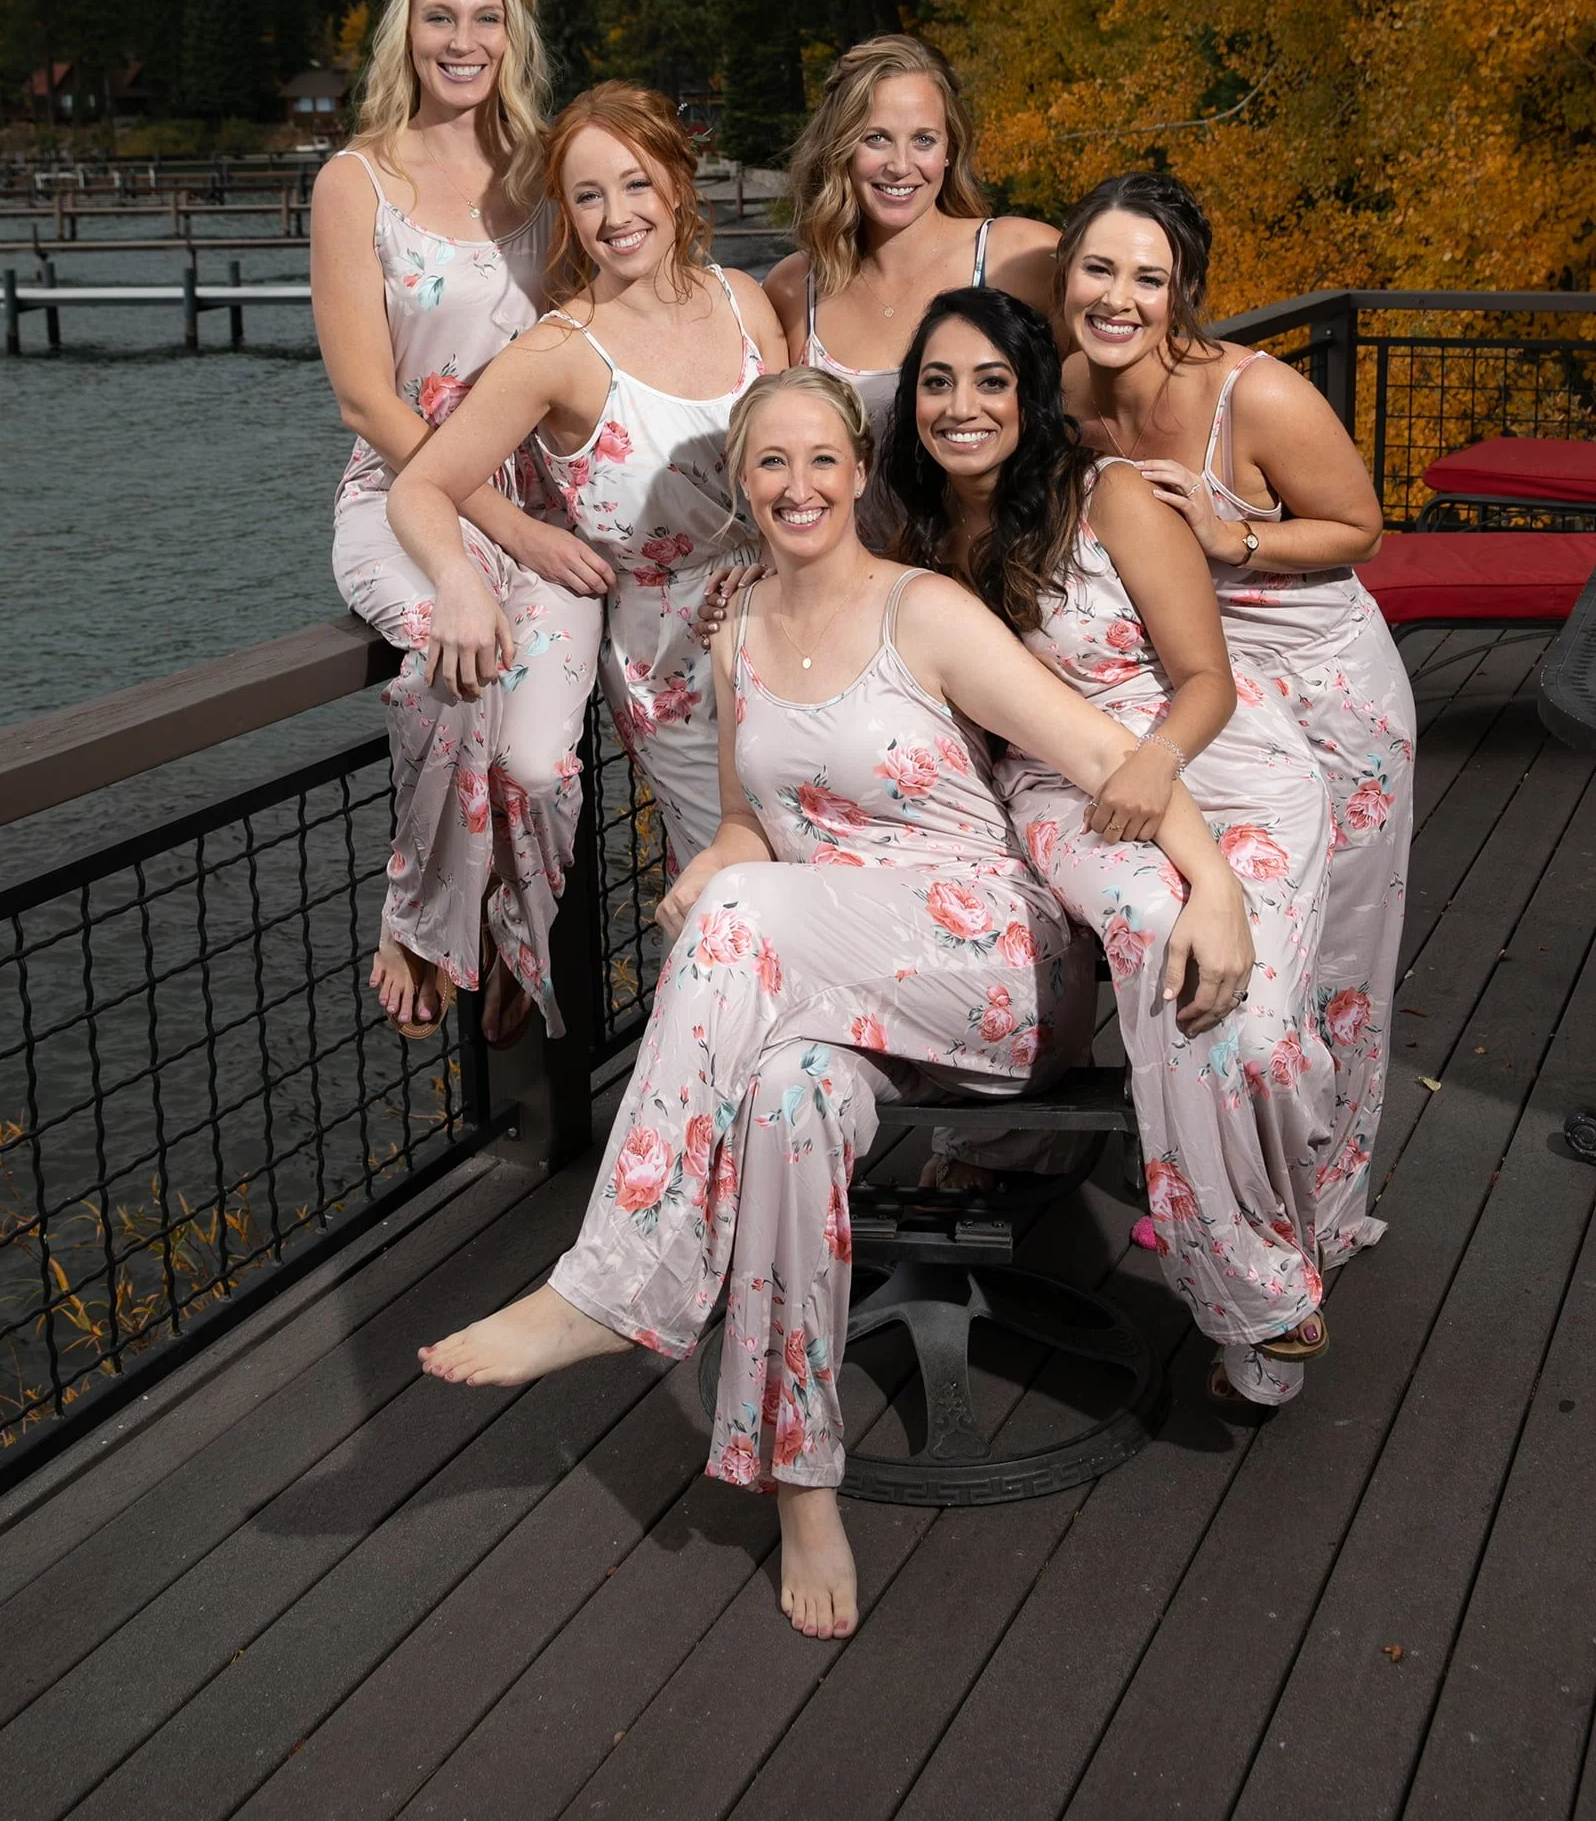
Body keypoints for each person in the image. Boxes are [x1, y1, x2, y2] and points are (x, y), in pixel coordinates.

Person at [417, 368, 1254, 1638]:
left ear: (860, 473)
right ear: (741, 487)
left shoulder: (927, 611)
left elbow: (1101, 753)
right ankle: (801, 1481)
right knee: (784, 1098)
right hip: (833, 977)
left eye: (822, 461)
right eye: (770, 465)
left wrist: (1219, 895)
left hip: (987, 966)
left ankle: (611, 1283)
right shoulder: (734, 628)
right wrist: (712, 861)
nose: (798, 487)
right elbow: (760, 821)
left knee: (748, 929)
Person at [892, 287, 1338, 1410]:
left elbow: (1207, 680)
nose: (961, 405)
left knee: (1256, 1033)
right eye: (936, 382)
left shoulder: (1108, 497)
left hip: (1220, 768)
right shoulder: (907, 526)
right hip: (1061, 788)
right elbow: (790, 545)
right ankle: (1257, 1293)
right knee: (1162, 942)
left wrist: (1158, 768)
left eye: (990, 380)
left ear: (1029, 393)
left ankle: (1259, 1251)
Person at [1056, 174, 1416, 1272]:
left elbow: (1362, 528)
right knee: (1226, 949)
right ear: (1064, 271)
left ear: (1185, 294)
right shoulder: (1058, 388)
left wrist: (1233, 536)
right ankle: (1222, 1166)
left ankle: (1318, 1212)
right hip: (1189, 692)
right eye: (1099, 268)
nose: (1119, 298)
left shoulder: (1253, 397)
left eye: (1148, 279)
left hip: (1317, 687)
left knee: (1332, 971)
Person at [313, 0, 607, 1044]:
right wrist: (491, 534)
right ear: (407, 33)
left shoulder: (546, 172)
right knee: (451, 645)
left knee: (537, 761)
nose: (463, 41)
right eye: (441, 17)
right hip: (400, 497)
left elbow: (609, 323)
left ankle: (511, 934)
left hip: (540, 509)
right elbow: (365, 401)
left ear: (512, 35)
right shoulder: (357, 182)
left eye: (486, 19)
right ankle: (420, 918)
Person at [386, 82, 788, 875]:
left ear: (677, 181)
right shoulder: (558, 352)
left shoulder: (744, 301)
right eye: (588, 197)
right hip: (675, 666)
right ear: (567, 214)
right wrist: (466, 576)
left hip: (796, 628)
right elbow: (419, 488)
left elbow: (817, 463)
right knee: (741, 892)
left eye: (637, 182)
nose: (618, 215)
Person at [760, 34, 1060, 550]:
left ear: (950, 152)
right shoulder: (794, 288)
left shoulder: (1018, 258)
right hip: (844, 589)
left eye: (924, 139)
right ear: (842, 149)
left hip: (990, 574)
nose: (901, 165)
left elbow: (1108, 395)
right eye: (876, 138)